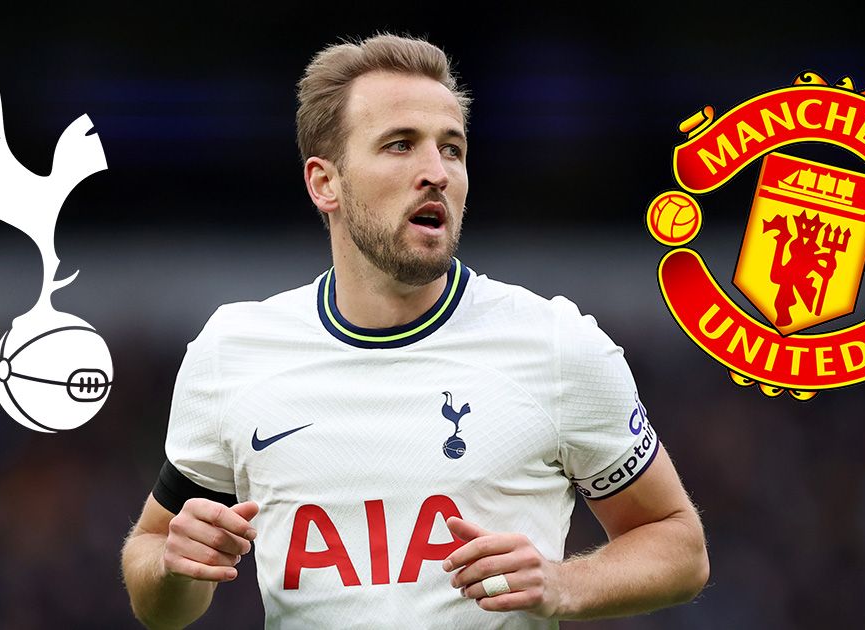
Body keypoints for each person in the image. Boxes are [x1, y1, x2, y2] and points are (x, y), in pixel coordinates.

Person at [121, 34, 708, 628]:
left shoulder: (556, 344)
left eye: (451, 149)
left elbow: (678, 544)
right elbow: (156, 577)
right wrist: (173, 568)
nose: (436, 173)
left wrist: (563, 583)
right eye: (400, 146)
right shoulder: (234, 351)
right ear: (325, 183)